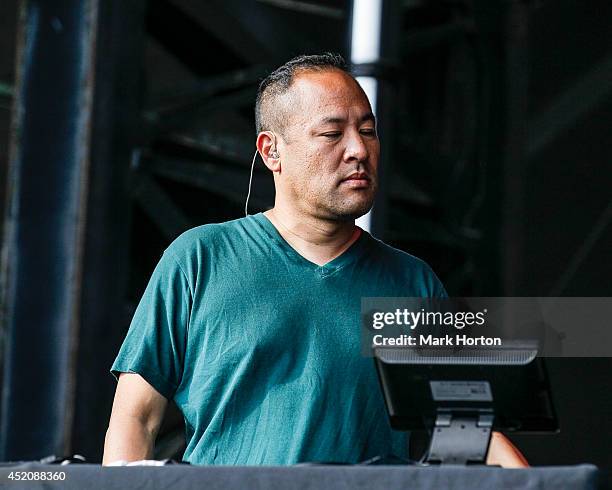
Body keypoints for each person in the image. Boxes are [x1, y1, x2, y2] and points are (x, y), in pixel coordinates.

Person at [103, 53, 528, 467]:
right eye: (331, 134)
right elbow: (135, 417)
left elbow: (465, 429)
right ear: (271, 151)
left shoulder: (414, 283)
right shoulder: (198, 259)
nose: (358, 150)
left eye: (368, 131)